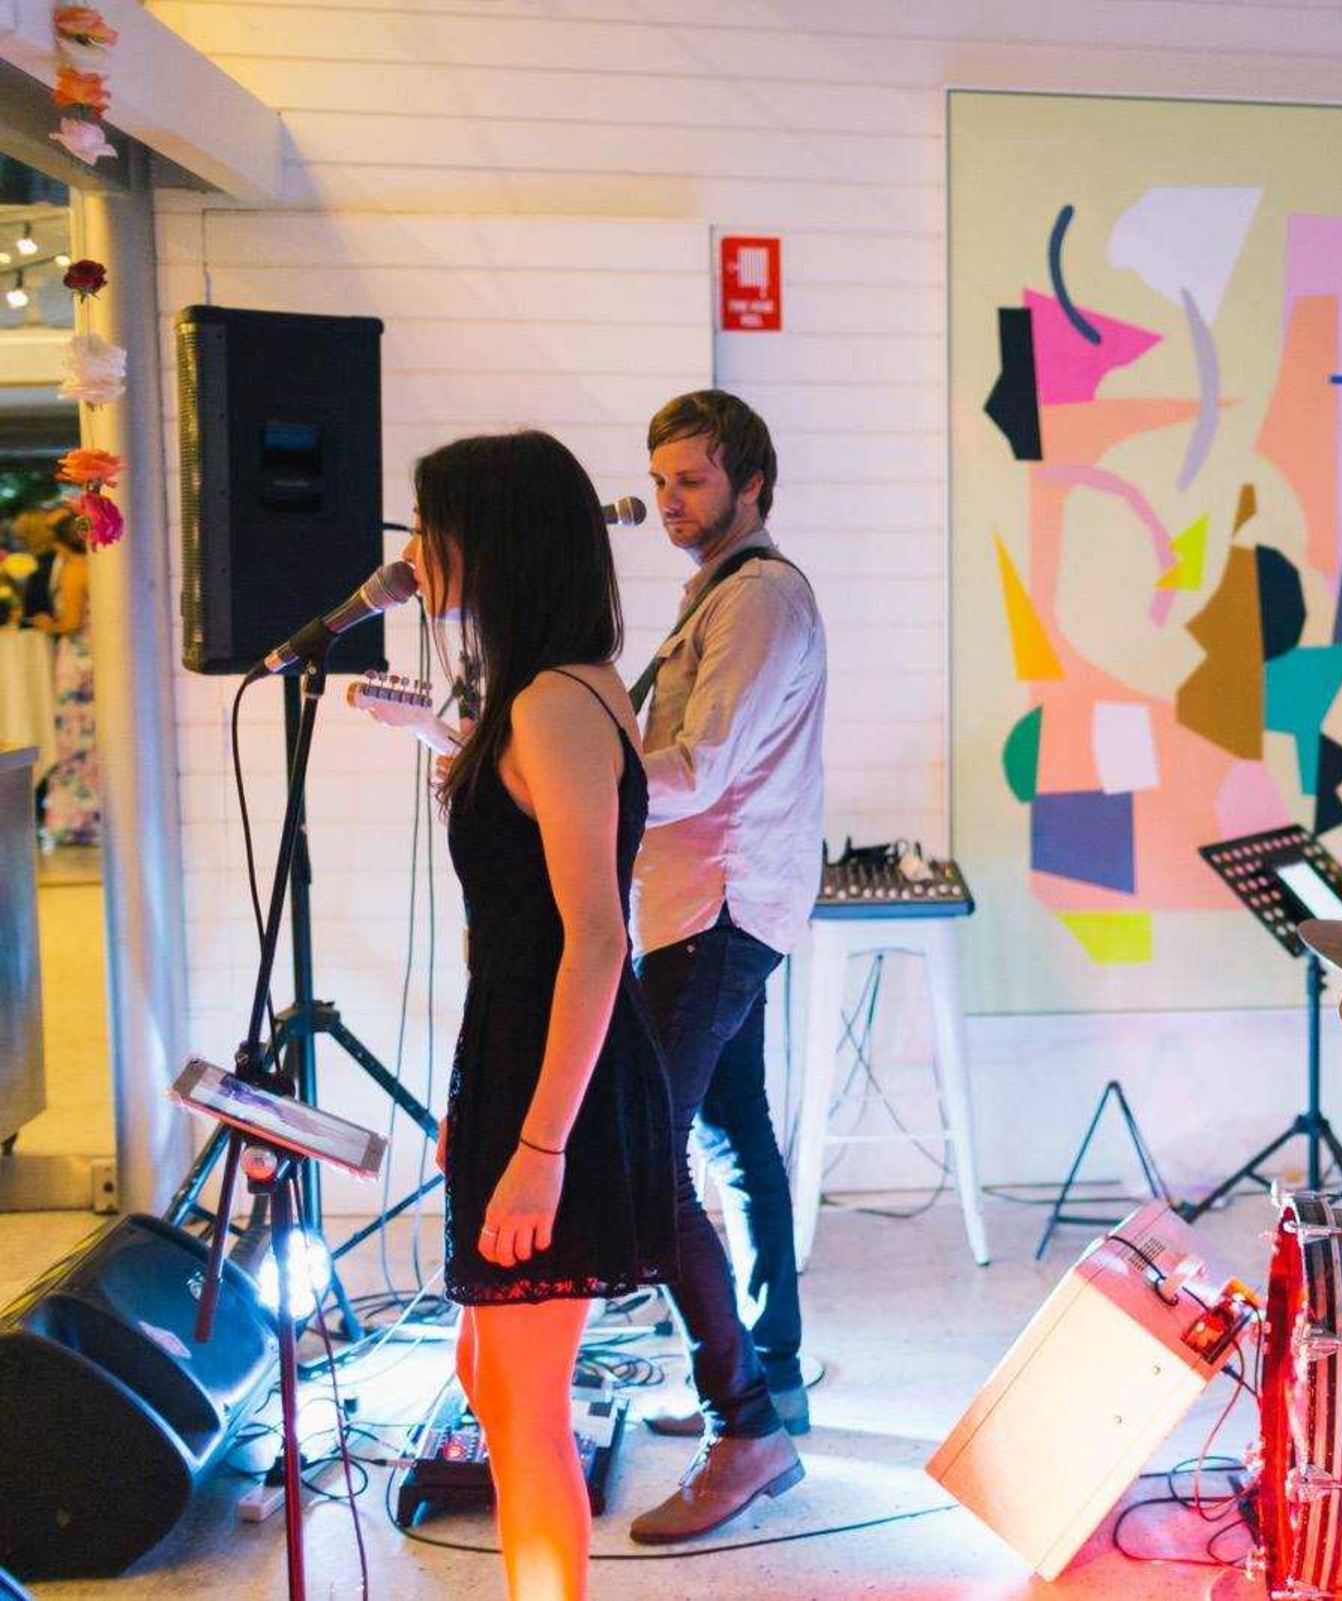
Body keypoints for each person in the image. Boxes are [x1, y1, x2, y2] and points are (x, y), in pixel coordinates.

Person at [408, 431, 691, 1600]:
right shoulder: (542, 691)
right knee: (490, 1373)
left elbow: (597, 935)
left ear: (494, 541)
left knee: (525, 1405)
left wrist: (536, 1149)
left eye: (436, 528)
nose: (418, 555)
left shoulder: (555, 704)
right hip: (516, 1059)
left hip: (555, 1082)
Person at [621, 390, 827, 1545]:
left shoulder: (757, 600)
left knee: (646, 1155)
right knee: (731, 1135)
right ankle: (775, 1376)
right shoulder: (722, 594)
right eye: (659, 484)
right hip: (708, 902)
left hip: (719, 906)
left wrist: (573, 773)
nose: (667, 505)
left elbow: (694, 767)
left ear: (751, 483)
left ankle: (746, 1422)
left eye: (689, 482)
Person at [28, 508, 97, 848]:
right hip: (96, 657)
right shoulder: (95, 568)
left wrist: (45, 625)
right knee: (92, 737)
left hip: (76, 657)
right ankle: (94, 814)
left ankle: (74, 820)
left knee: (72, 737)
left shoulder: (73, 571)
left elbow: (69, 623)